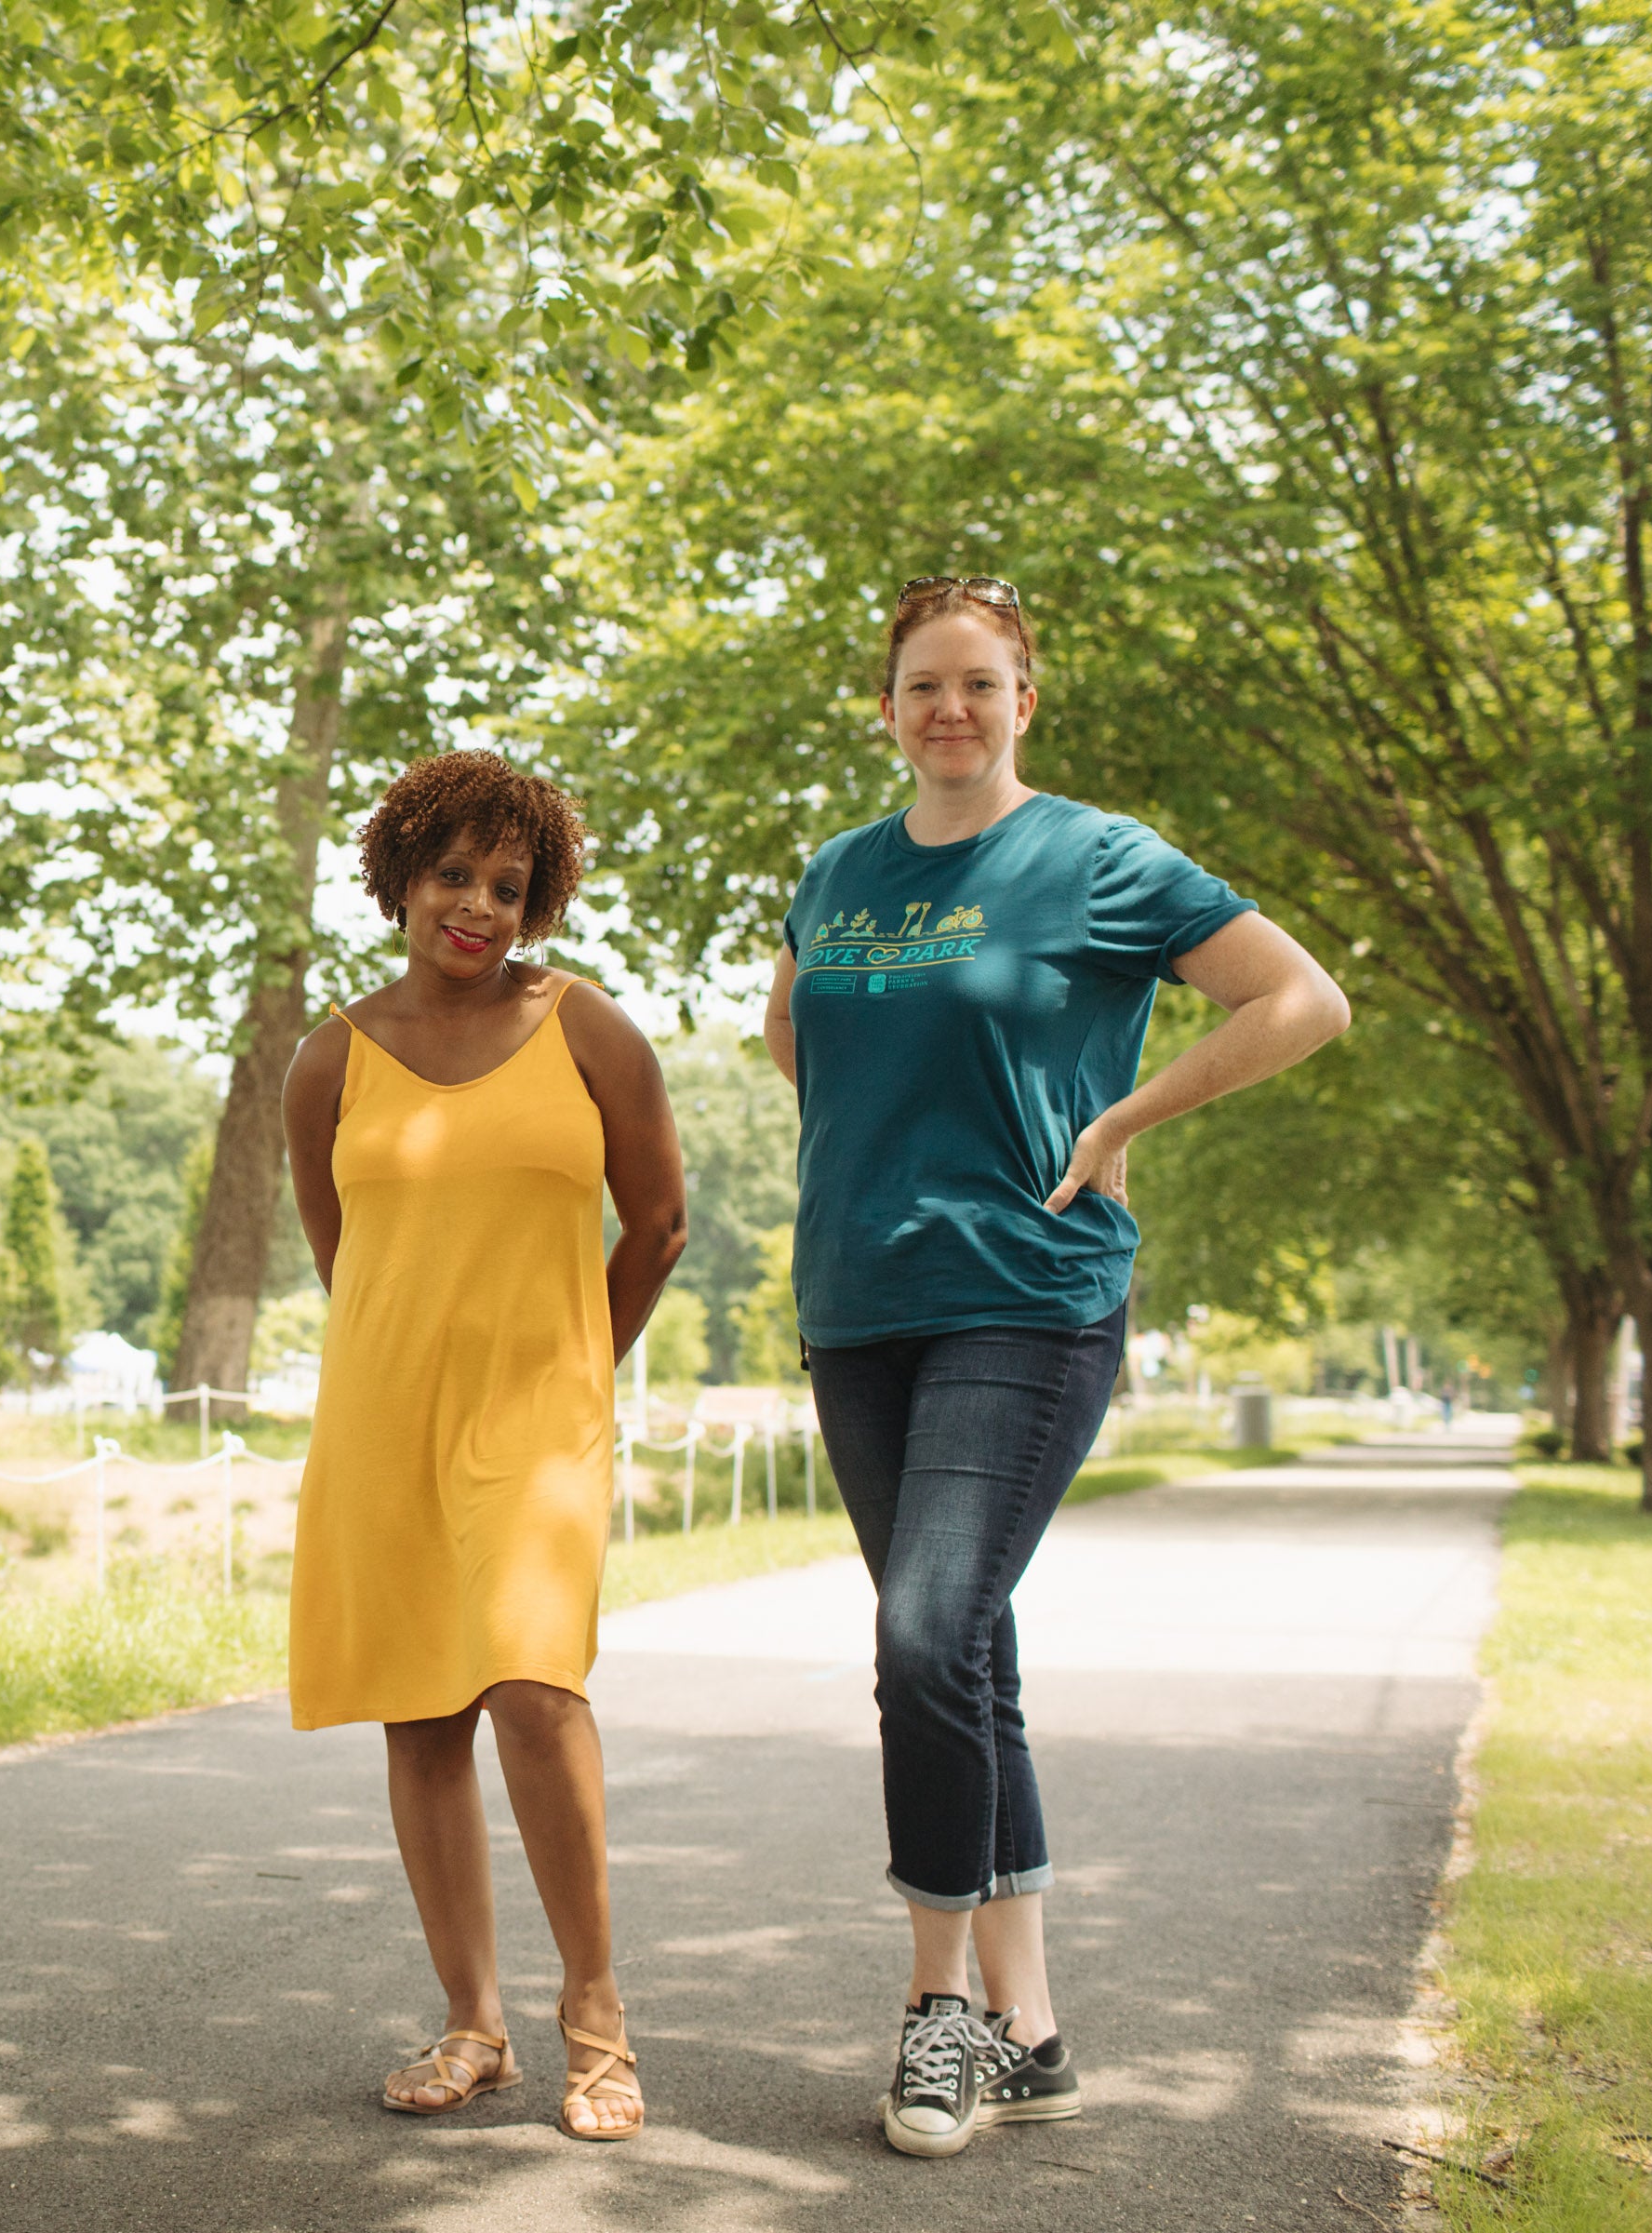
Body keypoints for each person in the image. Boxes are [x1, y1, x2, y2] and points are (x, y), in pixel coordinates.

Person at [766, 576, 1352, 2158]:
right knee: (969, 1658)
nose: (947, 708)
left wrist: (1117, 1120)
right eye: (918, 685)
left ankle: (934, 2009)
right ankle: (1032, 2033)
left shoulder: (1097, 858)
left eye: (978, 682)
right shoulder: (835, 873)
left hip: (1029, 1295)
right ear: (884, 705)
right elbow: (798, 1033)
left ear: (1027, 697)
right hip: (858, 1305)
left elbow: (1302, 997)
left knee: (926, 1629)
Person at [284, 749, 689, 2143]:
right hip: (386, 1415)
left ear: (539, 901)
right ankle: (475, 2024)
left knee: (531, 1683)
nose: (476, 908)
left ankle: (598, 2024)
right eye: (452, 876)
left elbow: (660, 1226)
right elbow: (351, 1261)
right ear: (400, 875)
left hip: (540, 1416)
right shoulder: (327, 1057)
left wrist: (582, 1362)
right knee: (423, 1707)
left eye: (507, 886)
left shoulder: (590, 1031)